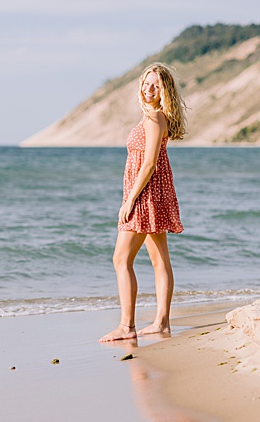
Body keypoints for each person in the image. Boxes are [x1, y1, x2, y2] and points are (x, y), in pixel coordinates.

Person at [99, 62, 187, 343]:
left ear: (165, 91)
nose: (149, 89)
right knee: (159, 261)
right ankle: (161, 323)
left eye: (156, 85)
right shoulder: (154, 117)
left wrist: (130, 200)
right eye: (146, 83)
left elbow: (148, 164)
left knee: (121, 259)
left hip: (145, 194)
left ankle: (127, 326)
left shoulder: (154, 118)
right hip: (152, 193)